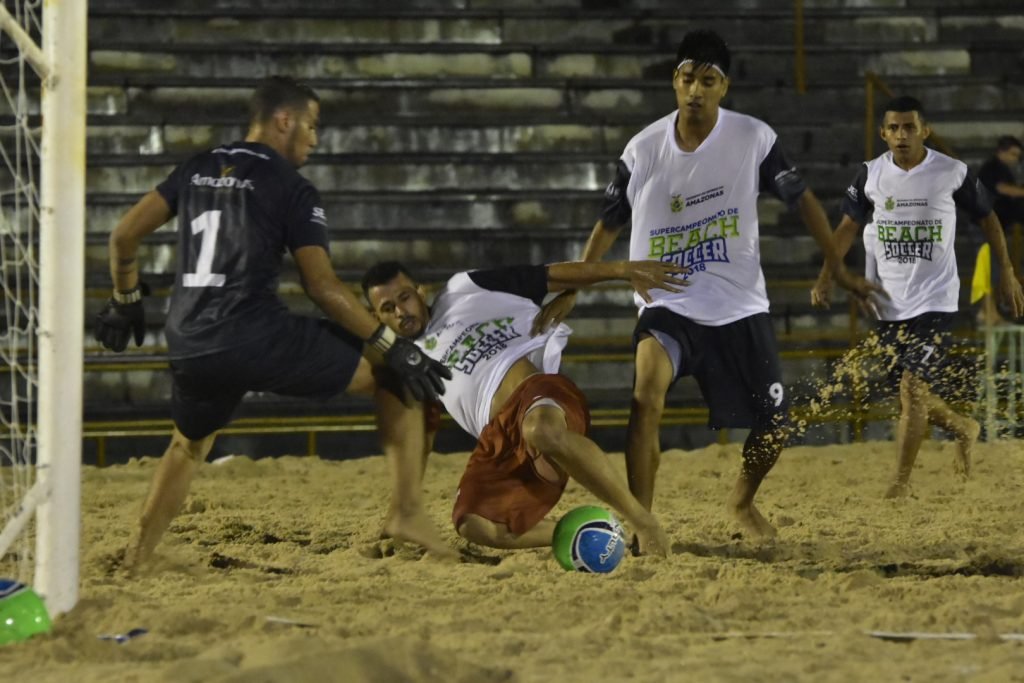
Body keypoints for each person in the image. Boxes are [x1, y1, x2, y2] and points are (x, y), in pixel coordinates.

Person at [93, 76, 454, 568]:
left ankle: (138, 554)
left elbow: (122, 237)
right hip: (253, 333)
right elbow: (322, 287)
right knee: (395, 371)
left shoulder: (196, 168)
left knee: (189, 444)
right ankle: (407, 513)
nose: (314, 138)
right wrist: (391, 342)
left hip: (189, 340)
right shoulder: (291, 186)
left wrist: (126, 297)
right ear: (285, 120)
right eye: (311, 125)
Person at [533, 29, 878, 540]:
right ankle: (640, 521)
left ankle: (741, 503)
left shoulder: (753, 137)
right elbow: (610, 222)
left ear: (724, 87)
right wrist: (575, 286)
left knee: (775, 422)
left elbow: (802, 200)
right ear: (676, 80)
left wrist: (837, 266)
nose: (696, 90)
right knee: (645, 395)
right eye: (688, 78)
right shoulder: (642, 149)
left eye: (708, 81)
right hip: (667, 301)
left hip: (739, 305)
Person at [362, 259, 689, 555]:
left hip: (540, 395)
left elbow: (548, 275)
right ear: (376, 318)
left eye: (404, 298)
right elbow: (419, 442)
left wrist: (620, 271)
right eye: (388, 308)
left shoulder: (463, 290)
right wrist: (401, 509)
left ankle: (643, 523)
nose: (401, 313)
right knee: (473, 524)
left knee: (540, 430)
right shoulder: (405, 364)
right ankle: (593, 531)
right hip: (498, 441)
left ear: (421, 291)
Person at [811, 96, 1024, 498]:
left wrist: (1008, 271)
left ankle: (900, 485)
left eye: (909, 127)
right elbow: (845, 229)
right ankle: (964, 427)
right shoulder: (870, 175)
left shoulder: (951, 171)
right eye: (894, 128)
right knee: (915, 396)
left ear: (924, 130)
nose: (901, 135)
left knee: (911, 390)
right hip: (888, 303)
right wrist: (827, 276)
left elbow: (989, 219)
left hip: (936, 302)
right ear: (883, 133)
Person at [975, 136, 1024, 323]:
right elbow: (1004, 189)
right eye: (1013, 154)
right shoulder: (993, 168)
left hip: (995, 227)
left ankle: (988, 311)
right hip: (984, 227)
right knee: (990, 270)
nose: (1015, 159)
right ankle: (987, 312)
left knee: (994, 270)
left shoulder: (1003, 170)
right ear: (1001, 151)